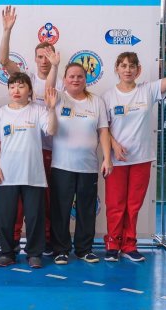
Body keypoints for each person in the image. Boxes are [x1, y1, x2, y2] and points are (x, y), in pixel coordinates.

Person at [102, 29, 166, 262]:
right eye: (123, 66)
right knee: (115, 205)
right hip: (117, 160)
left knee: (133, 205)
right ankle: (112, 244)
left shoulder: (148, 90)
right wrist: (114, 145)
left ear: (138, 70)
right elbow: (103, 128)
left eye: (132, 66)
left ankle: (129, 245)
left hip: (141, 158)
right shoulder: (108, 96)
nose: (128, 70)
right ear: (116, 69)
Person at [0, 5, 62, 254]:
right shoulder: (26, 80)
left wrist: (56, 68)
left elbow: (50, 91)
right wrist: (7, 31)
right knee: (16, 203)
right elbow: (4, 61)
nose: (44, 60)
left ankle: (43, 242)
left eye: (48, 56)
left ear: (55, 57)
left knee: (43, 202)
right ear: (34, 59)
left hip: (55, 150)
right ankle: (13, 241)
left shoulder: (63, 82)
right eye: (40, 56)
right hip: (26, 150)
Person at [0, 72, 57, 269]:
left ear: (29, 90)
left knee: (35, 217)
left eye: (21, 86)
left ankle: (34, 253)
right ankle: (7, 252)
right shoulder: (1, 113)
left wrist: (52, 109)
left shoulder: (38, 110)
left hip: (32, 174)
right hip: (7, 174)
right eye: (12, 87)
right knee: (5, 217)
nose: (16, 90)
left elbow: (51, 130)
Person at [48, 61, 112, 265]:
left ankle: (84, 249)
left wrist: (107, 158)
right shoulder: (59, 97)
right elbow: (48, 87)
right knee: (60, 210)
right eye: (71, 76)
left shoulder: (96, 102)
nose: (75, 79)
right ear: (64, 80)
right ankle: (60, 250)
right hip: (62, 166)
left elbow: (103, 131)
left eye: (80, 76)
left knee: (86, 210)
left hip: (88, 166)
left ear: (86, 79)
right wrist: (54, 66)